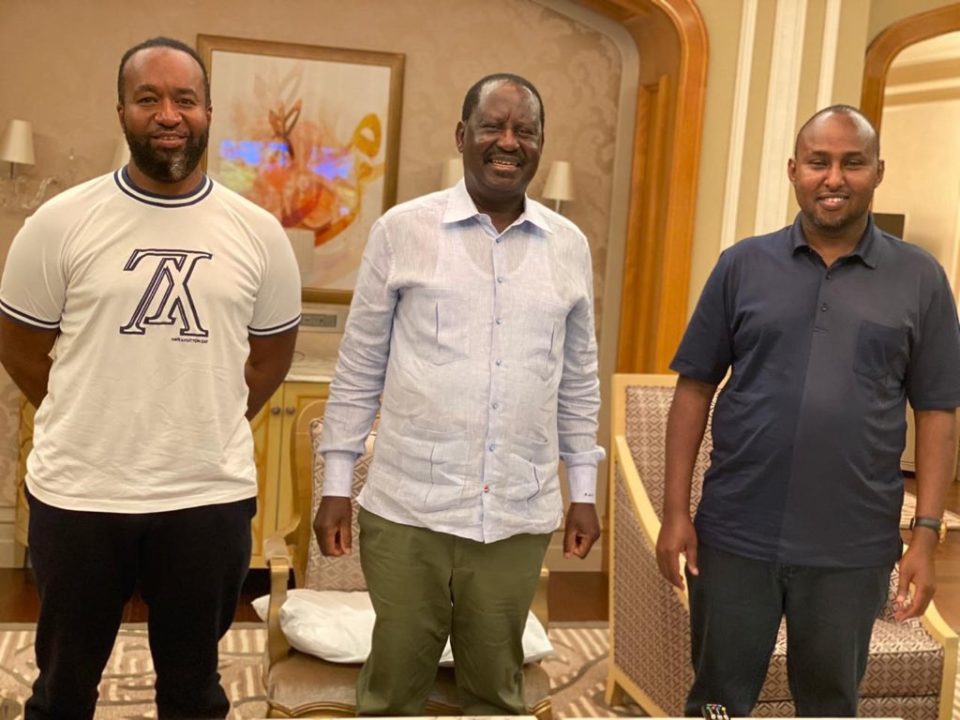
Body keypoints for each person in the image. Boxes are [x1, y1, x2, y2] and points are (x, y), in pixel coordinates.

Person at [0, 37, 301, 719]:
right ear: (121, 112)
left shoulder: (258, 232)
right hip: (80, 493)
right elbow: (20, 348)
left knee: (194, 691)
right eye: (148, 98)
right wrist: (86, 408)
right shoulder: (59, 223)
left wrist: (208, 417)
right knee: (62, 690)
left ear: (208, 112)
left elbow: (269, 359)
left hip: (207, 495)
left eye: (184, 99)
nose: (168, 114)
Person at [656, 104, 960, 717]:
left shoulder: (921, 278)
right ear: (794, 170)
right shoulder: (742, 265)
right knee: (717, 702)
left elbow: (937, 412)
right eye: (819, 162)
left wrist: (925, 536)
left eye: (853, 163)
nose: (834, 178)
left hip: (853, 545)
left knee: (828, 704)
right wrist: (674, 512)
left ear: (878, 172)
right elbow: (693, 390)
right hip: (735, 533)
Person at [315, 73, 604, 716]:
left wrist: (583, 492)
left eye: (525, 130)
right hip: (407, 507)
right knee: (393, 689)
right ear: (461, 135)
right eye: (492, 126)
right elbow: (360, 365)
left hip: (516, 510)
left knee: (496, 690)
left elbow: (578, 380)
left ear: (540, 143)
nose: (508, 142)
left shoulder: (569, 247)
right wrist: (336, 483)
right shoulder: (402, 231)